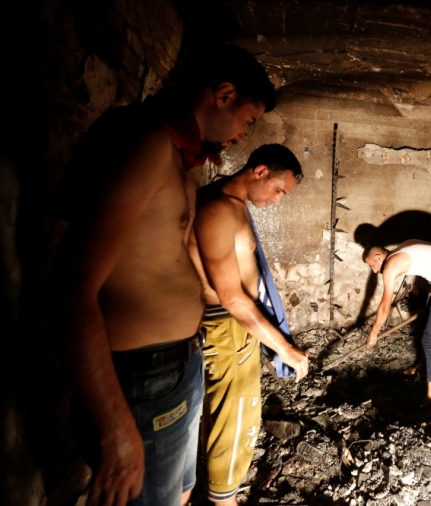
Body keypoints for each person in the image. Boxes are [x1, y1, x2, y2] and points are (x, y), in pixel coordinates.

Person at [50, 45, 275, 506]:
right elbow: (71, 290)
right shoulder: (144, 142)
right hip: (139, 379)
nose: (240, 136)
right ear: (224, 94)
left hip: (174, 366)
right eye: (247, 121)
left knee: (178, 493)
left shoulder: (175, 156)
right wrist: (116, 429)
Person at [189, 144, 309, 504]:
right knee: (236, 420)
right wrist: (284, 348)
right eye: (279, 190)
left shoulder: (228, 205)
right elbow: (231, 297)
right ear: (260, 172)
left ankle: (211, 491)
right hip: (226, 329)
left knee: (219, 418)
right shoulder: (219, 211)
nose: (278, 200)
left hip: (229, 329)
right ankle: (224, 500)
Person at [363, 240, 431, 406]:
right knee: (427, 325)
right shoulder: (399, 250)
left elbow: (384, 308)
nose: (374, 271)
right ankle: (421, 367)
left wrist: (374, 333)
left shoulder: (391, 265)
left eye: (372, 266)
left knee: (430, 340)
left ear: (378, 256)